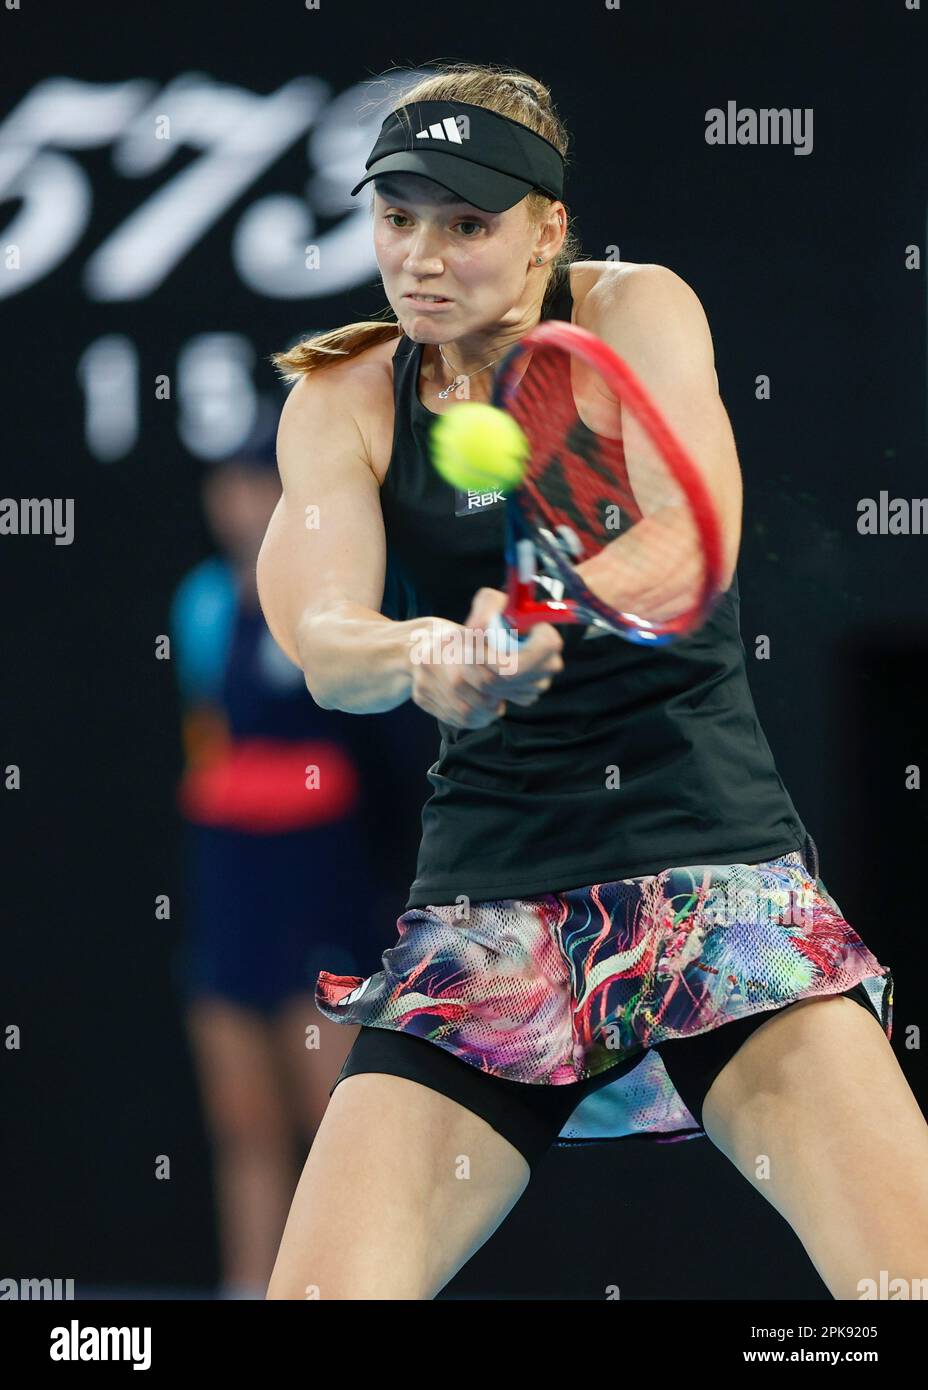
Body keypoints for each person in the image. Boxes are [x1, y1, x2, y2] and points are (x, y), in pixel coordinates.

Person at [257, 63, 926, 1302]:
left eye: (467, 223)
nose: (423, 257)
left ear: (547, 229)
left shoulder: (635, 309)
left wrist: (542, 607)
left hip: (709, 872)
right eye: (398, 218)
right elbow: (325, 640)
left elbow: (691, 532)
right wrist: (425, 654)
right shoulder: (342, 397)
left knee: (903, 1285)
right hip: (489, 907)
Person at [169, 412, 382, 1298]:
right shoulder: (201, 605)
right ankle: (247, 1285)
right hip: (231, 889)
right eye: (231, 485)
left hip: (323, 896)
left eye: (264, 485)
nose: (243, 503)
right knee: (242, 1119)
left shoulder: (340, 599)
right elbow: (210, 745)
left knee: (337, 1120)